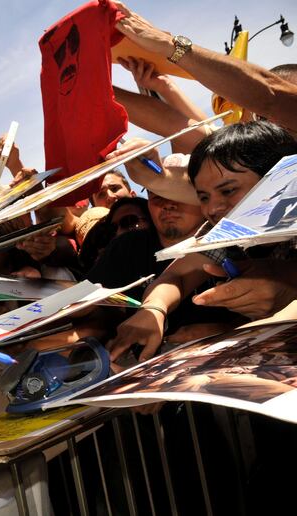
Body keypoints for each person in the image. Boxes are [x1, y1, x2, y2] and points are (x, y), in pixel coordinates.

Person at [108, 121, 297, 362]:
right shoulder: (227, 234)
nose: (213, 208)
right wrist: (154, 309)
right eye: (204, 197)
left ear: (281, 180)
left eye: (228, 191)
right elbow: (178, 275)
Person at [113, 2, 297, 134]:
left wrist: (171, 46)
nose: (273, 121)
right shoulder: (252, 162)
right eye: (261, 117)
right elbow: (203, 134)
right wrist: (164, 86)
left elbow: (272, 98)